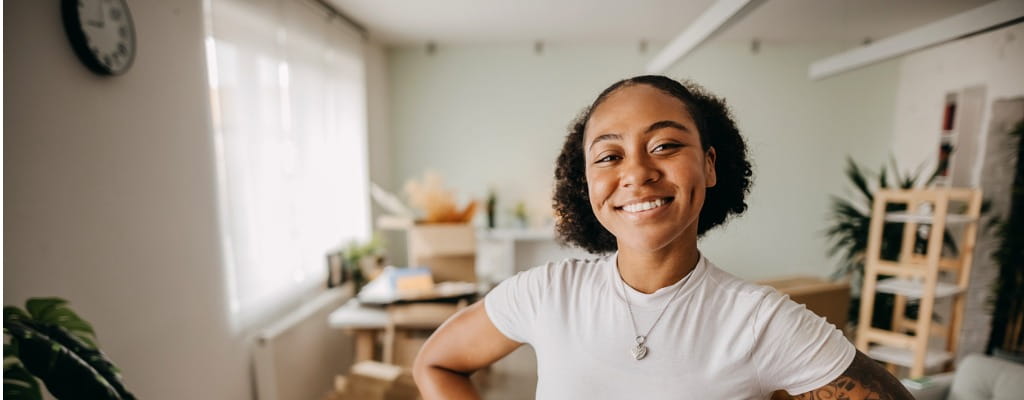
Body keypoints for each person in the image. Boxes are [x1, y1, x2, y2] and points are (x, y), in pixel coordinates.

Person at [412, 75, 913, 399]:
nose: (637, 172)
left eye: (666, 145)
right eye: (609, 156)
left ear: (710, 165)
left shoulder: (762, 322)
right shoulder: (547, 293)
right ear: (585, 182)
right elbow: (436, 364)